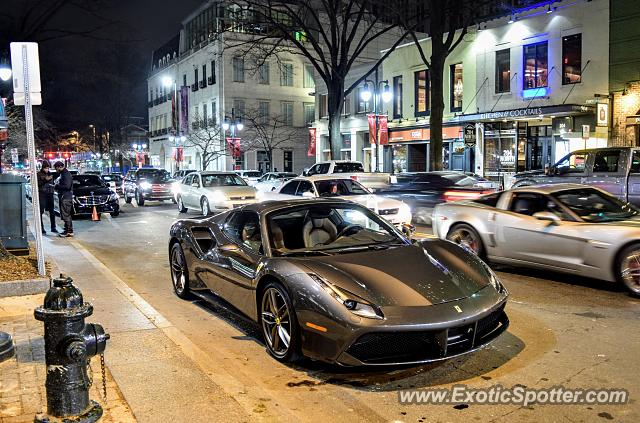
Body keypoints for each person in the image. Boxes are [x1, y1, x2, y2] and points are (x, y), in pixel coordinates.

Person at [36, 161, 58, 234]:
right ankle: (41, 228)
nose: (47, 169)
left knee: (52, 211)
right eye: (46, 168)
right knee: (41, 212)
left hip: (50, 194)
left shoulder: (50, 174)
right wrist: (45, 180)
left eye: (48, 168)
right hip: (42, 194)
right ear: (43, 168)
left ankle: (53, 227)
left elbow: (52, 183)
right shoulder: (39, 174)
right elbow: (38, 184)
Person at [53, 161, 74, 237]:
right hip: (65, 196)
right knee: (65, 214)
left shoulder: (65, 174)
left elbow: (67, 186)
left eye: (56, 168)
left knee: (66, 214)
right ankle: (67, 230)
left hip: (66, 197)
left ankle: (69, 231)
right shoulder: (63, 174)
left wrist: (57, 186)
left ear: (59, 167)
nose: (56, 170)